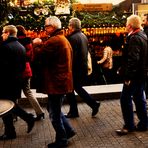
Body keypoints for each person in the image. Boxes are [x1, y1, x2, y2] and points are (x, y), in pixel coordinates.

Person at [33, 16, 76, 148]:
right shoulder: (63, 39)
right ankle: (68, 131)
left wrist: (36, 45)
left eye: (46, 26)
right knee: (53, 109)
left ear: (52, 27)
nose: (45, 29)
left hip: (56, 82)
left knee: (54, 114)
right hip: (62, 81)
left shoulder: (54, 41)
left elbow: (40, 57)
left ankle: (62, 140)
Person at [0, 25, 35, 140]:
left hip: (6, 82)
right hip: (16, 81)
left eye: (3, 32)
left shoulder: (5, 47)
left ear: (7, 33)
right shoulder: (20, 46)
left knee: (7, 106)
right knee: (10, 106)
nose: (2, 35)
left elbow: (3, 67)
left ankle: (27, 119)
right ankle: (10, 131)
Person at [116, 14, 148, 135]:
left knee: (125, 99)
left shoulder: (134, 38)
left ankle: (129, 126)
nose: (125, 25)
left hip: (134, 76)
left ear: (130, 26)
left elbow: (133, 59)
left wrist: (128, 76)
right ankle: (144, 123)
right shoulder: (143, 35)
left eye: (126, 23)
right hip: (141, 74)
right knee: (139, 99)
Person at [65, 17, 100, 118]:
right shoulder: (83, 36)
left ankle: (76, 111)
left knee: (71, 89)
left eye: (69, 25)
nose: (68, 27)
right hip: (81, 67)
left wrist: (68, 68)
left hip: (75, 68)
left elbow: (72, 56)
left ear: (71, 26)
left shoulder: (72, 38)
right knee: (76, 88)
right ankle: (91, 105)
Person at [16, 25, 45, 121]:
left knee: (15, 93)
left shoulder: (15, 42)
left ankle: (13, 114)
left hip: (18, 71)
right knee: (28, 92)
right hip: (27, 69)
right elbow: (31, 58)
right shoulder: (29, 42)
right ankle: (39, 112)